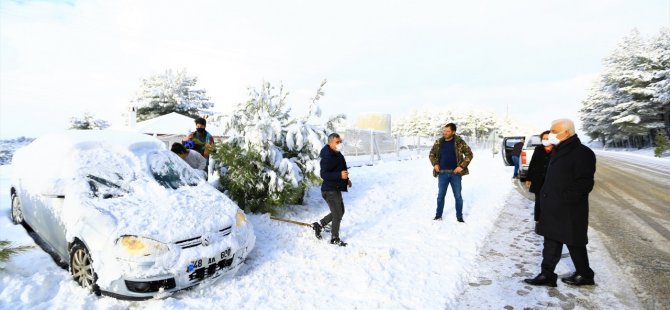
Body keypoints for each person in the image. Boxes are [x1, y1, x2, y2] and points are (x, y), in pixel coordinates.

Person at [524, 119, 597, 287]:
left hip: (569, 208)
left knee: (574, 243)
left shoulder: (582, 152)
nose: (550, 134)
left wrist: (565, 199)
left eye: (554, 130)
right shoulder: (558, 150)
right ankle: (547, 275)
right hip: (552, 206)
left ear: (566, 132)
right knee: (550, 241)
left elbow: (585, 183)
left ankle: (585, 275)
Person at [312, 133, 351, 247]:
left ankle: (319, 225)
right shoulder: (327, 156)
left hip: (335, 188)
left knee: (339, 212)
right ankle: (334, 238)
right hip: (329, 190)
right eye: (337, 142)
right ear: (330, 143)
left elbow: (342, 169)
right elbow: (323, 174)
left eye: (340, 142)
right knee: (338, 214)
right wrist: (339, 175)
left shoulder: (338, 154)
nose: (339, 144)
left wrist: (346, 179)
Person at [428, 123, 473, 222]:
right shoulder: (439, 142)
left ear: (453, 132)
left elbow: (469, 154)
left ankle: (459, 217)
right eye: (444, 131)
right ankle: (438, 215)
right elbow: (431, 154)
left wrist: (461, 167)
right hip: (442, 173)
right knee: (440, 196)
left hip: (455, 174)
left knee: (457, 196)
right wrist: (435, 164)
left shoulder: (459, 142)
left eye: (448, 131)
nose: (445, 133)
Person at [525, 130, 553, 224]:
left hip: (551, 180)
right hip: (538, 179)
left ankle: (550, 219)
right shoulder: (538, 149)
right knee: (539, 200)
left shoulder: (558, 150)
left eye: (547, 138)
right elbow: (532, 163)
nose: (545, 140)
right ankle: (538, 220)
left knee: (550, 201)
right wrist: (528, 178)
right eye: (543, 139)